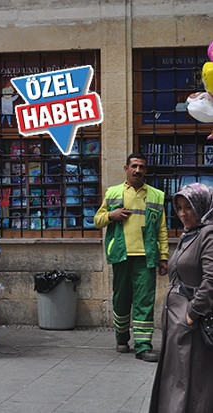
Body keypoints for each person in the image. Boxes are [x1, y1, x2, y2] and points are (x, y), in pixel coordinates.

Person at [94, 153, 168, 362]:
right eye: (134, 166)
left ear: (145, 170)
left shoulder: (156, 195)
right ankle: (122, 338)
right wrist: (111, 215)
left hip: (146, 257)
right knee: (121, 299)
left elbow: (162, 229)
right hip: (121, 254)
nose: (138, 170)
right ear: (126, 169)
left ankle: (143, 346)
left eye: (142, 167)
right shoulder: (113, 193)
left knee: (145, 301)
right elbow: (97, 221)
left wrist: (163, 257)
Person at [149, 182, 213, 413]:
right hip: (176, 323)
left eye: (189, 207)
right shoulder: (190, 234)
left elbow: (211, 281)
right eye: (179, 207)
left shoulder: (208, 234)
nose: (183, 214)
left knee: (190, 382)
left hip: (191, 324)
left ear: (202, 206)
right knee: (176, 379)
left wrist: (191, 314)